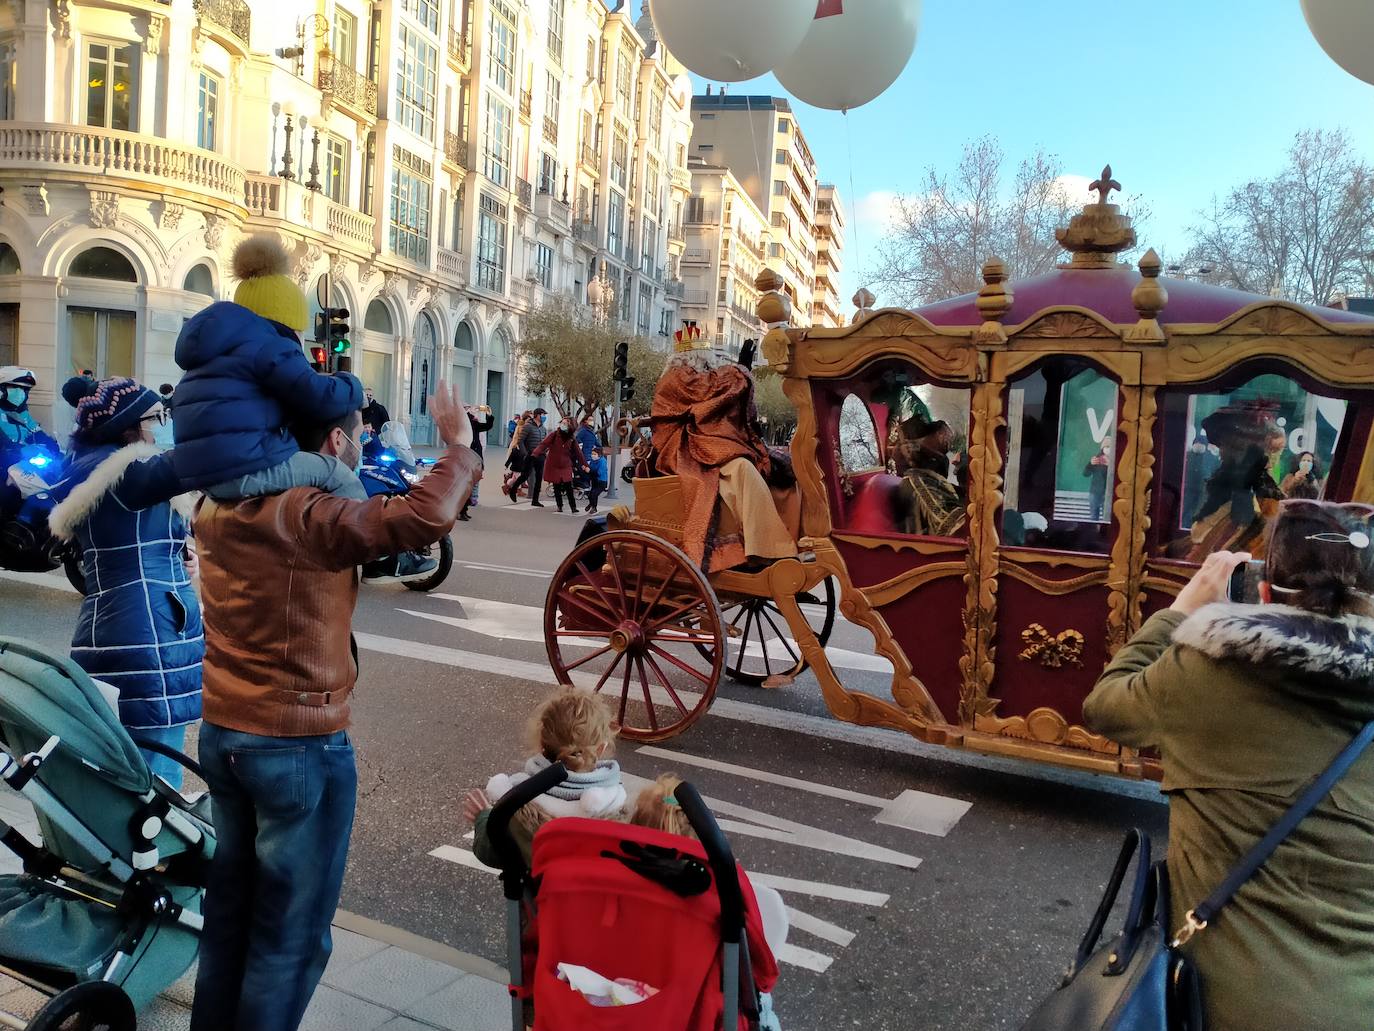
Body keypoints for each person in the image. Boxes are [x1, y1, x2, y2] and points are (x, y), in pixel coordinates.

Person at [188, 379, 479, 1031]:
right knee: (289, 941)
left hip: (225, 733)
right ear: (334, 440)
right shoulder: (307, 511)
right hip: (297, 742)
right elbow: (420, 518)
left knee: (229, 921)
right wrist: (458, 444)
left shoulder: (220, 497)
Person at [1083, 500, 1374, 1031]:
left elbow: (1105, 706)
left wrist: (1179, 612)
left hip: (1220, 1002)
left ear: (1264, 589)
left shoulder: (1210, 672)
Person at [174, 235, 431, 583]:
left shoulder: (212, 356)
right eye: (297, 327)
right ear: (285, 319)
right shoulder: (268, 345)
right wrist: (352, 386)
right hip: (243, 466)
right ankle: (379, 558)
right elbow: (315, 393)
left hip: (206, 473)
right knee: (334, 473)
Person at [46, 378, 201, 788]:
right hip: (148, 631)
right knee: (156, 768)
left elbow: (126, 542)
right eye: (157, 416)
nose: (164, 423)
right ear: (129, 425)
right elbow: (197, 461)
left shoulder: (92, 472)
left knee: (121, 757)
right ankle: (150, 849)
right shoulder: (127, 472)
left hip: (110, 624)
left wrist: (173, 554)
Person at [629, 774, 786, 1031]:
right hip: (697, 1009)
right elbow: (762, 975)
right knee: (763, 1006)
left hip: (633, 996)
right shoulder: (725, 897)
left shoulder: (615, 887)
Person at [650, 338, 798, 572]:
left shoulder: (696, 379)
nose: (711, 367)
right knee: (742, 468)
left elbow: (720, 399)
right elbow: (711, 390)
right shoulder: (676, 379)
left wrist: (741, 372)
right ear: (697, 358)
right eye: (707, 362)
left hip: (705, 445)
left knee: (771, 467)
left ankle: (782, 539)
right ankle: (764, 547)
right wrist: (740, 370)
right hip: (684, 451)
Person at [464, 689, 625, 867]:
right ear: (601, 748)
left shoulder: (518, 799)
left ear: (542, 744)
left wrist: (484, 818)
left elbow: (490, 852)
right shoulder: (613, 802)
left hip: (540, 893)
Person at [0, 367, 60, 517]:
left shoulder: (21, 413)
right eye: (15, 387)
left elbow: (36, 432)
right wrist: (18, 450)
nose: (21, 393)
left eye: (25, 390)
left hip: (20, 467)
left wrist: (52, 446)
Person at [533, 416, 588, 514]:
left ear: (571, 426)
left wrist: (585, 464)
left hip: (566, 465)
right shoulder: (554, 435)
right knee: (556, 487)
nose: (562, 425)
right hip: (553, 464)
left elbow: (578, 452)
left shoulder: (571, 438)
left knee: (569, 487)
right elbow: (543, 444)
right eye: (562, 423)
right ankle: (559, 506)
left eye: (565, 423)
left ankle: (573, 507)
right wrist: (535, 453)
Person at [507, 407, 549, 506]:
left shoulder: (543, 429)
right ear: (537, 415)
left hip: (540, 456)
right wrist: (525, 453)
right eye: (543, 415)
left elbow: (544, 442)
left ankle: (535, 500)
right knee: (525, 475)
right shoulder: (528, 426)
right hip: (530, 455)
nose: (544, 417)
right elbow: (520, 441)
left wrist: (546, 451)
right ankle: (513, 489)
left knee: (539, 478)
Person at [459, 404, 495, 521]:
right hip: (466, 456)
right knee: (465, 485)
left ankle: (465, 510)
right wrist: (470, 414)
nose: (470, 410)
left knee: (471, 484)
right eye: (467, 408)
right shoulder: (462, 421)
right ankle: (461, 511)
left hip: (476, 456)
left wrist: (489, 416)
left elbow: (487, 426)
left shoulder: (474, 423)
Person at [1084, 441, 1111, 522]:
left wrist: (1111, 465)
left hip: (1108, 495)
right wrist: (1090, 464)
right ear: (1102, 448)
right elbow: (1085, 474)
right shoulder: (1096, 458)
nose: (1107, 449)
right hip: (1094, 494)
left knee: (1107, 519)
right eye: (1106, 447)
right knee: (1093, 518)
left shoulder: (1116, 460)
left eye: (1110, 447)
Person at [586, 446, 608, 515]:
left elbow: (599, 473)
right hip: (594, 480)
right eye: (592, 454)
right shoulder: (593, 461)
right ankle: (591, 504)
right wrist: (586, 469)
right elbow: (590, 469)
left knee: (594, 494)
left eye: (594, 454)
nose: (593, 455)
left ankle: (594, 508)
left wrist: (590, 471)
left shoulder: (602, 461)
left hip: (601, 481)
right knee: (590, 495)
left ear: (599, 454)